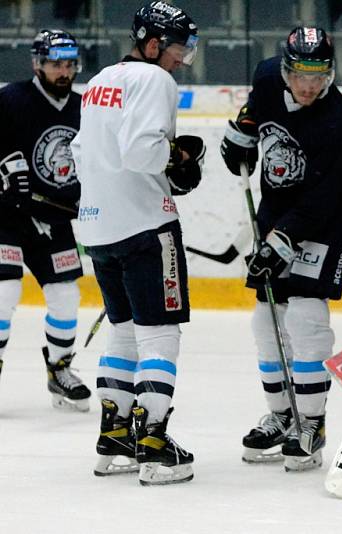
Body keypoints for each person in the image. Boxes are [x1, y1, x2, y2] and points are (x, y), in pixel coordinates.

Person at [70, 1, 204, 485]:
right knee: (159, 333)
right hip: (147, 225)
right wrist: (181, 156)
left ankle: (114, 436)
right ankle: (151, 444)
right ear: (151, 44)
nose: (179, 62)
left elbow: (79, 153)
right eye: (176, 51)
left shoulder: (99, 81)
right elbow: (144, 152)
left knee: (123, 330)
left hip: (98, 228)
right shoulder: (154, 80)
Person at [220, 26, 342, 471]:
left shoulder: (339, 119)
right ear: (285, 69)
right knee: (266, 319)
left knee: (305, 314)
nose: (308, 85)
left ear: (330, 73)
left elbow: (323, 199)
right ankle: (282, 417)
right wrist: (243, 134)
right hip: (277, 208)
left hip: (330, 221)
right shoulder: (267, 78)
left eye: (318, 75)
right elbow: (255, 110)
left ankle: (313, 423)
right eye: (301, 74)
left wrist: (282, 242)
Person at [0, 29, 90, 412]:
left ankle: (59, 369)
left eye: (69, 64)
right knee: (3, 292)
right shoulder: (11, 98)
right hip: (5, 214)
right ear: (37, 64)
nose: (63, 71)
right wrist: (5, 165)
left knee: (66, 295)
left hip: (53, 217)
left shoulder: (86, 107)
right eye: (55, 64)